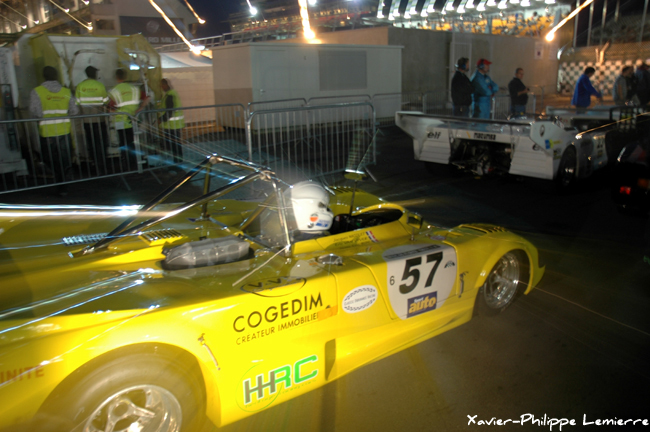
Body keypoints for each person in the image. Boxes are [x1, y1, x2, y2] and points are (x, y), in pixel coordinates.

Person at [29, 65, 79, 196]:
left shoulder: (37, 92)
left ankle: (61, 182)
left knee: (48, 158)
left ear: (44, 76)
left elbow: (35, 112)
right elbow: (74, 111)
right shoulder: (66, 92)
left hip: (47, 132)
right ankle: (63, 182)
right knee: (64, 159)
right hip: (64, 130)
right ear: (56, 76)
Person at [108, 68, 149, 171]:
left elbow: (111, 107)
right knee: (133, 142)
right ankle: (135, 164)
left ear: (116, 77)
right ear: (125, 77)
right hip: (133, 119)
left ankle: (126, 166)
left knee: (123, 143)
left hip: (120, 122)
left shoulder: (114, 91)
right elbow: (147, 98)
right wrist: (140, 109)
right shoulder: (134, 89)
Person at [75, 65, 109, 175]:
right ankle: (103, 165)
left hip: (87, 121)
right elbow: (106, 101)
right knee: (102, 142)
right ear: (95, 74)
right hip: (99, 120)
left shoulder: (80, 86)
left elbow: (77, 104)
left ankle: (95, 164)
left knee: (91, 143)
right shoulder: (100, 85)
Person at [157, 78, 185, 166]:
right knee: (175, 144)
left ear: (165, 85)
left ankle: (177, 163)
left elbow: (169, 111)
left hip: (171, 125)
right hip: (174, 124)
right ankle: (177, 162)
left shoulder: (170, 95)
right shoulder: (172, 93)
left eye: (161, 86)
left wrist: (161, 119)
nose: (161, 87)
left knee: (173, 145)